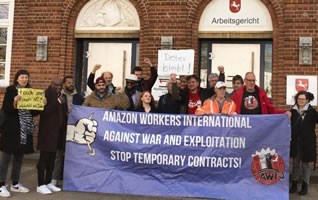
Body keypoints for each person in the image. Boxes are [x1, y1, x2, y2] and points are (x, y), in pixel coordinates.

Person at [0, 70, 40, 197]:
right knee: (6, 158)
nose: (24, 79)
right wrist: (15, 101)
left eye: (26, 77)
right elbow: (6, 108)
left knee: (19, 157)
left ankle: (15, 183)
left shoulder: (30, 91)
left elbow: (33, 112)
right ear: (17, 79)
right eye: (22, 77)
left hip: (24, 130)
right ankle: (1, 185)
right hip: (11, 130)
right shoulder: (11, 90)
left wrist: (41, 104)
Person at [51, 76, 84, 186]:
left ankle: (73, 178)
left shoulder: (79, 97)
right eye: (69, 82)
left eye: (72, 82)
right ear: (64, 84)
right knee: (58, 154)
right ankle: (55, 178)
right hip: (61, 128)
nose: (71, 84)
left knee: (74, 154)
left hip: (75, 129)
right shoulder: (59, 96)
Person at [37, 77, 67, 194]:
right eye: (56, 85)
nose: (59, 87)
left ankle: (48, 182)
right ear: (51, 84)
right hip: (46, 133)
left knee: (52, 159)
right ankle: (40, 184)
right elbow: (42, 112)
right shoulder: (45, 94)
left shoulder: (61, 95)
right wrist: (57, 102)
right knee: (43, 159)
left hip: (57, 133)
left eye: (60, 85)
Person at [289, 91, 318, 196]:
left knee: (306, 165)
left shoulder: (312, 112)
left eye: (302, 99)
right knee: (295, 164)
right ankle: (294, 184)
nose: (300, 101)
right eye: (299, 99)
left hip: (307, 143)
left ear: (307, 100)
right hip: (295, 143)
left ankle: (305, 186)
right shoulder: (293, 111)